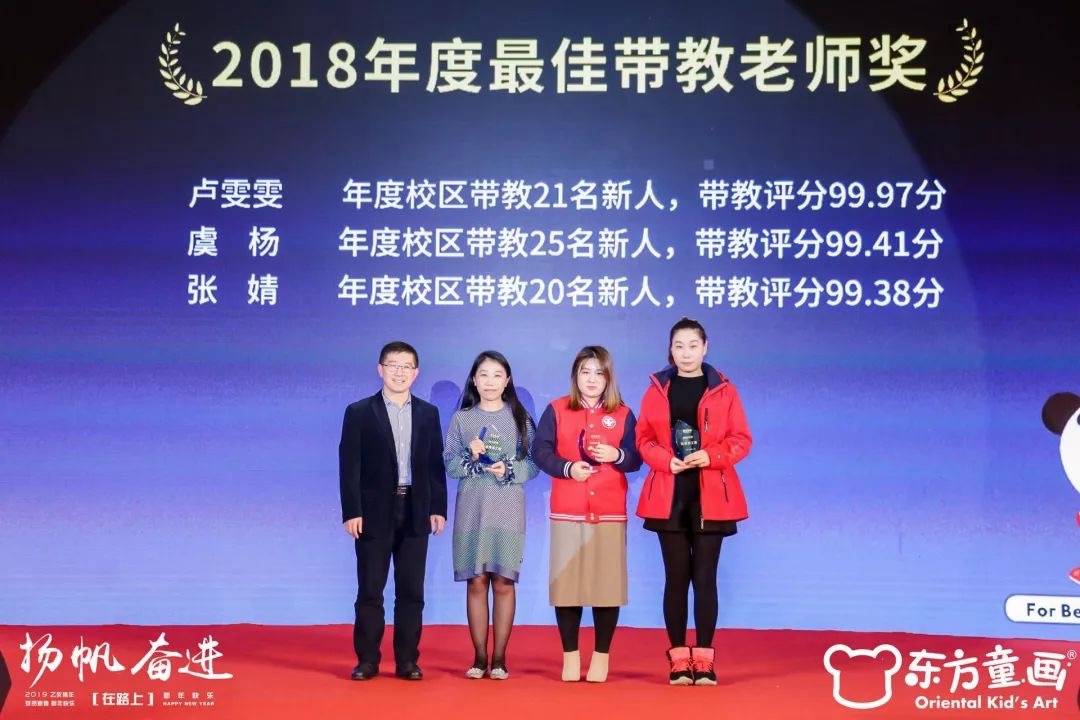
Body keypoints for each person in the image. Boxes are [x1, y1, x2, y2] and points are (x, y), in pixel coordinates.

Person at [635, 318, 752, 686]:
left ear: (705, 347)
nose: (685, 353)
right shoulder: (657, 390)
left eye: (692, 345)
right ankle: (677, 659)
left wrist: (711, 456)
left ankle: (704, 659)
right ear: (670, 349)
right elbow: (642, 439)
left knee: (704, 578)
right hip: (668, 493)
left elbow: (742, 439)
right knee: (675, 578)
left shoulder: (725, 391)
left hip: (712, 494)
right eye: (678, 346)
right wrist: (663, 460)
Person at [339, 341, 447, 681]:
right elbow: (349, 466)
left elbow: (434, 465)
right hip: (373, 512)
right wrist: (352, 510)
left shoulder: (428, 413)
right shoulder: (359, 412)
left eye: (406, 366)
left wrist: (438, 507)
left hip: (416, 509)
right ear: (380, 369)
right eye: (393, 365)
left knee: (411, 591)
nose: (399, 372)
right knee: (370, 590)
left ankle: (407, 661)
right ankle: (367, 660)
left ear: (416, 373)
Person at [534, 346, 642, 683]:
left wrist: (617, 454)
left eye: (599, 373)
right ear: (575, 376)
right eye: (585, 372)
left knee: (606, 585)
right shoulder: (557, 409)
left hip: (609, 511)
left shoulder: (623, 413)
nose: (592, 379)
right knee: (568, 585)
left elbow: (637, 458)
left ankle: (601, 657)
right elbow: (540, 451)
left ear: (609, 378)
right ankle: (570, 656)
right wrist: (567, 468)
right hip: (568, 509)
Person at [444, 350, 538, 680]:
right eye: (483, 374)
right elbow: (450, 464)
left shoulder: (521, 418)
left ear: (507, 380)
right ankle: (479, 657)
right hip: (471, 509)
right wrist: (471, 457)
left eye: (497, 375)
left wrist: (509, 469)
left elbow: (534, 464)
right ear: (474, 379)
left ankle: (499, 659)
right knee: (476, 581)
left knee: (503, 582)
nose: (490, 382)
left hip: (508, 509)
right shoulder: (461, 419)